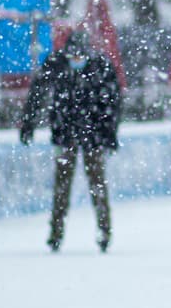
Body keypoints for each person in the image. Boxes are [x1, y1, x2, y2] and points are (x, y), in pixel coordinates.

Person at [20, 29, 121, 252]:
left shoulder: (100, 67)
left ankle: (104, 231)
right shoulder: (56, 64)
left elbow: (112, 103)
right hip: (64, 133)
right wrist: (29, 123)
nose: (76, 61)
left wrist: (110, 134)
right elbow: (38, 92)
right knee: (61, 187)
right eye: (72, 57)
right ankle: (56, 234)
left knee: (97, 184)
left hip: (93, 134)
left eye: (80, 57)